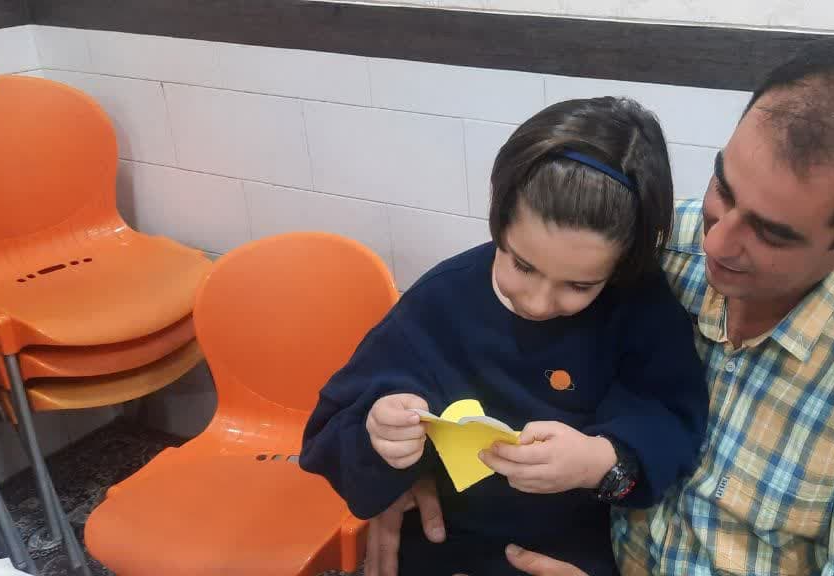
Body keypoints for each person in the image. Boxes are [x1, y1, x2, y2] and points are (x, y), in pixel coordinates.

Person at [368, 42, 834, 576]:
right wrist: (403, 464)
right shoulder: (647, 244)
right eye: (723, 188)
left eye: (771, 233)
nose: (717, 243)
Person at [299, 96, 710, 576]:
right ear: (499, 222)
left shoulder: (639, 308)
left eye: (579, 286)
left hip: (567, 551)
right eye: (523, 265)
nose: (538, 302)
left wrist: (599, 459)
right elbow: (331, 427)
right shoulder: (442, 299)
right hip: (441, 540)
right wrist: (379, 436)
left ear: (621, 265)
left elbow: (671, 417)